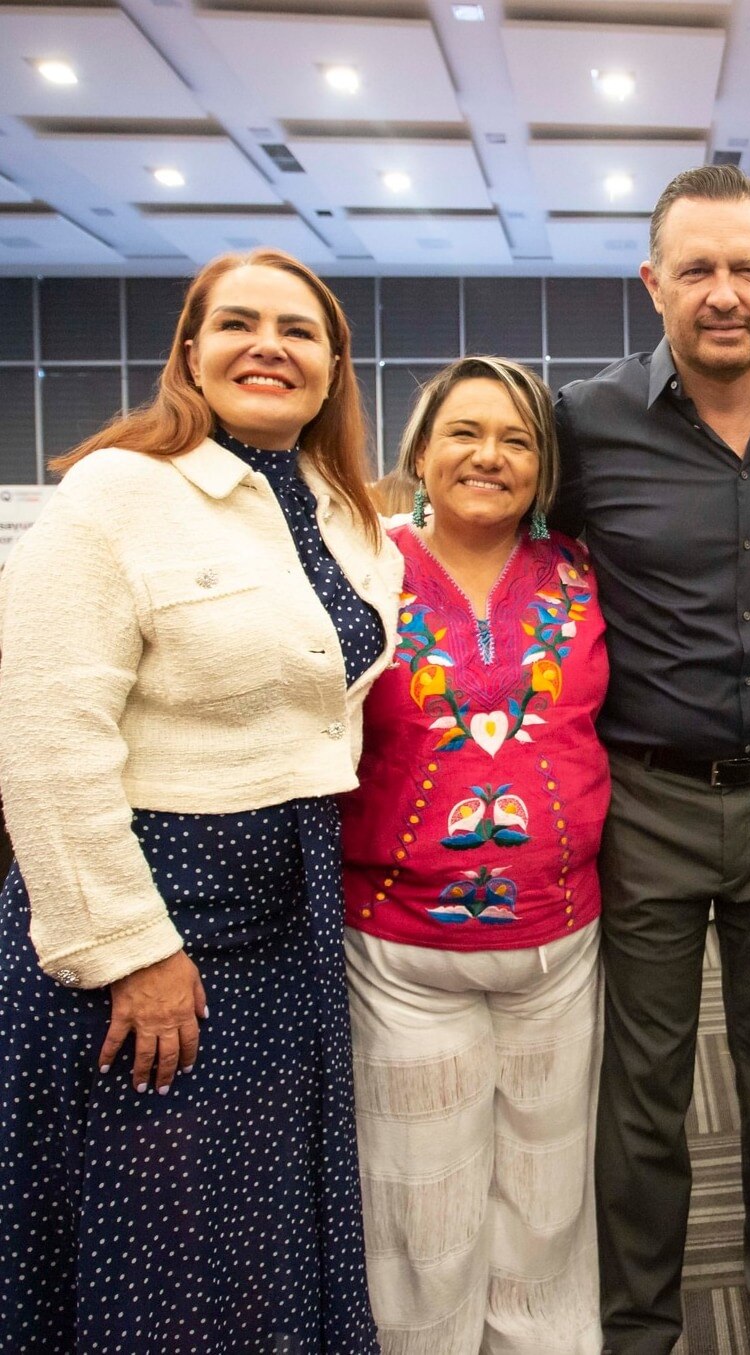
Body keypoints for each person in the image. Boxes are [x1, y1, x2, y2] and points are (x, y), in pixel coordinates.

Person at [0, 248, 399, 1350]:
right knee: (160, 1232)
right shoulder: (117, 492)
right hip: (152, 915)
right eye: (237, 323)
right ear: (190, 351)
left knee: (258, 1224)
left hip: (288, 916)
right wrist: (130, 948)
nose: (268, 346)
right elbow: (45, 737)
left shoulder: (341, 512)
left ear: (333, 368)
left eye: (299, 330)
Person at [553, 164, 750, 1355]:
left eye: (746, 267)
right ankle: (639, 1322)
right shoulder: (584, 422)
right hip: (644, 794)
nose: (723, 292)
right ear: (654, 282)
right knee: (644, 1085)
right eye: (697, 269)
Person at [340, 356, 609, 1352]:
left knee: (547, 1192)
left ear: (543, 468)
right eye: (464, 432)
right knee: (425, 1202)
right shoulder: (363, 567)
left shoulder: (583, 571)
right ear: (419, 453)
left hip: (561, 946)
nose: (490, 455)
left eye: (517, 439)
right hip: (402, 954)